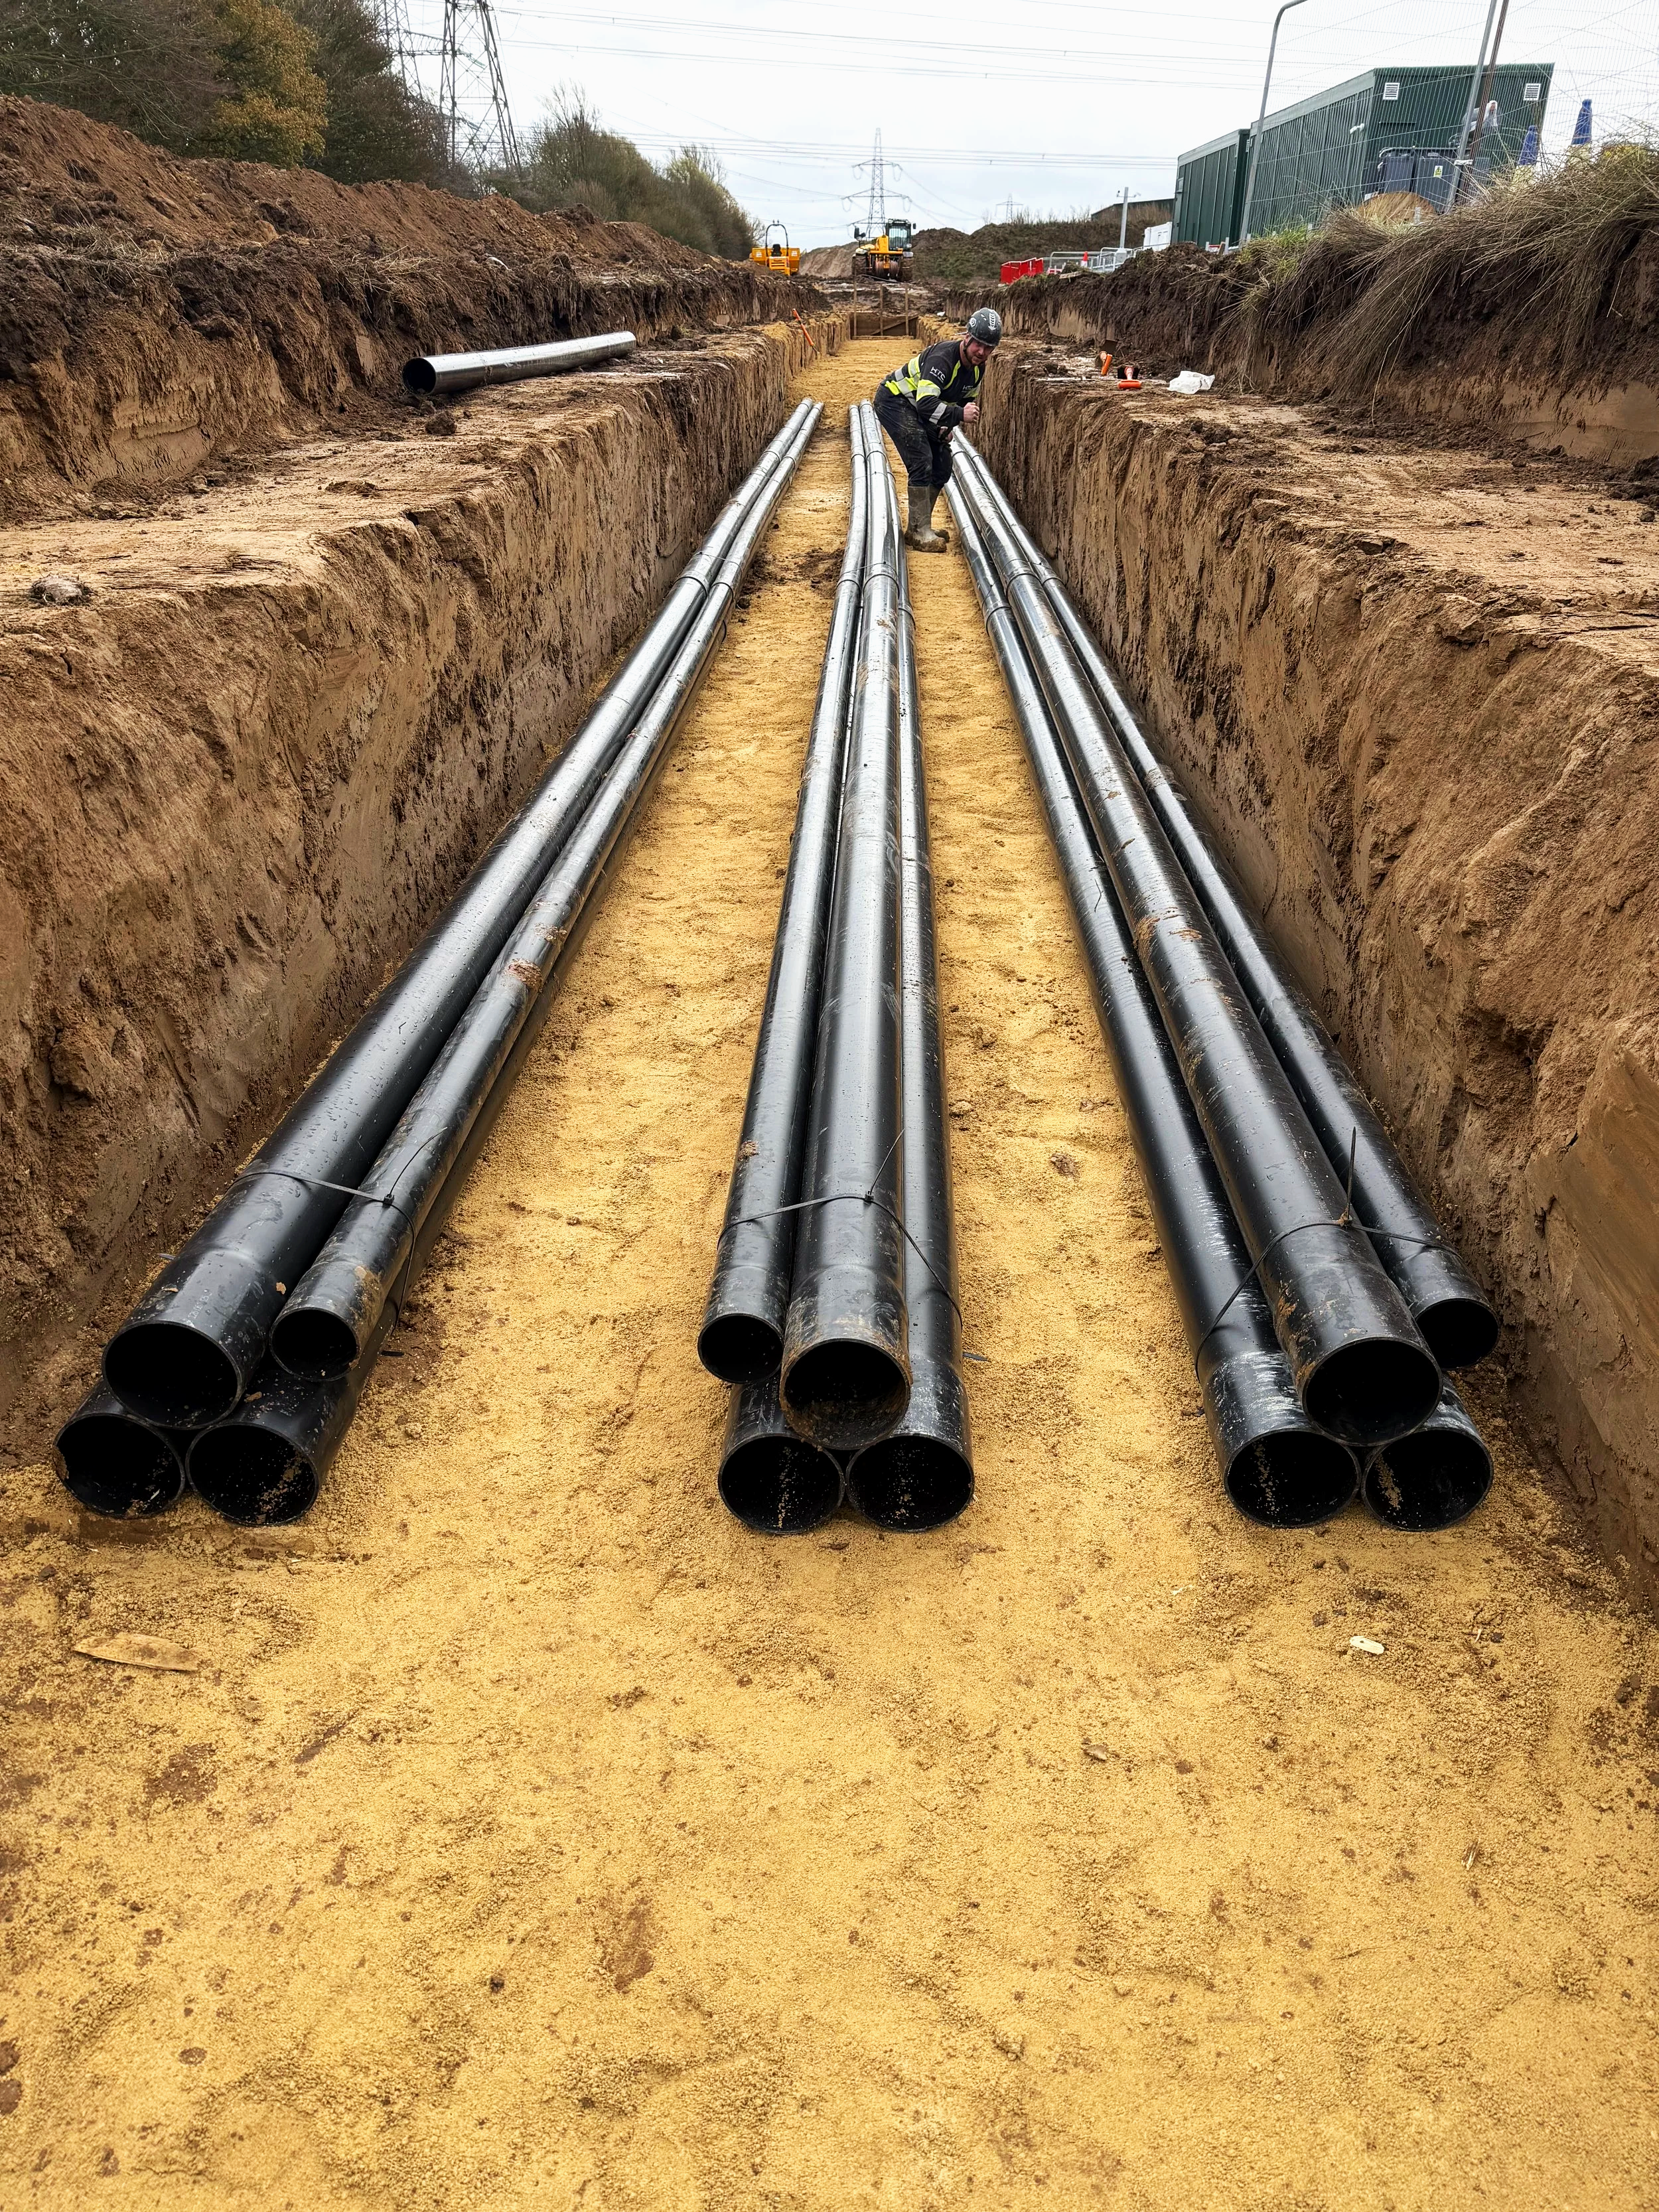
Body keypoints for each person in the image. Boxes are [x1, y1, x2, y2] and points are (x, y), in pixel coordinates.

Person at [874, 307, 1001, 553]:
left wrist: (947, 425)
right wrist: (957, 416)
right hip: (896, 400)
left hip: (919, 408)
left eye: (989, 348)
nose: (982, 352)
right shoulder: (943, 359)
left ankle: (919, 527)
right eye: (979, 345)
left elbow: (962, 401)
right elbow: (926, 404)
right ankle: (921, 532)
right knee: (921, 459)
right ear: (967, 338)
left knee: (942, 462)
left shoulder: (978, 368)